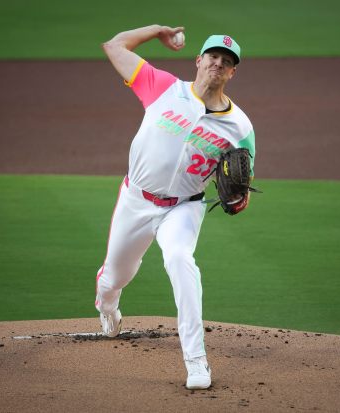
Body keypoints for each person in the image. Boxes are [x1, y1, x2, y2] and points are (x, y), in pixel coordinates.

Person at [96, 24, 256, 390]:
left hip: (184, 208)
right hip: (136, 201)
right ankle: (107, 306)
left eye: (226, 61)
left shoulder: (241, 127)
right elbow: (113, 45)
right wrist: (156, 32)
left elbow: (242, 188)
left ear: (233, 72)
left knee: (179, 260)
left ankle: (196, 361)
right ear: (198, 61)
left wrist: (237, 200)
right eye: (213, 56)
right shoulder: (162, 86)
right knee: (114, 278)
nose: (218, 63)